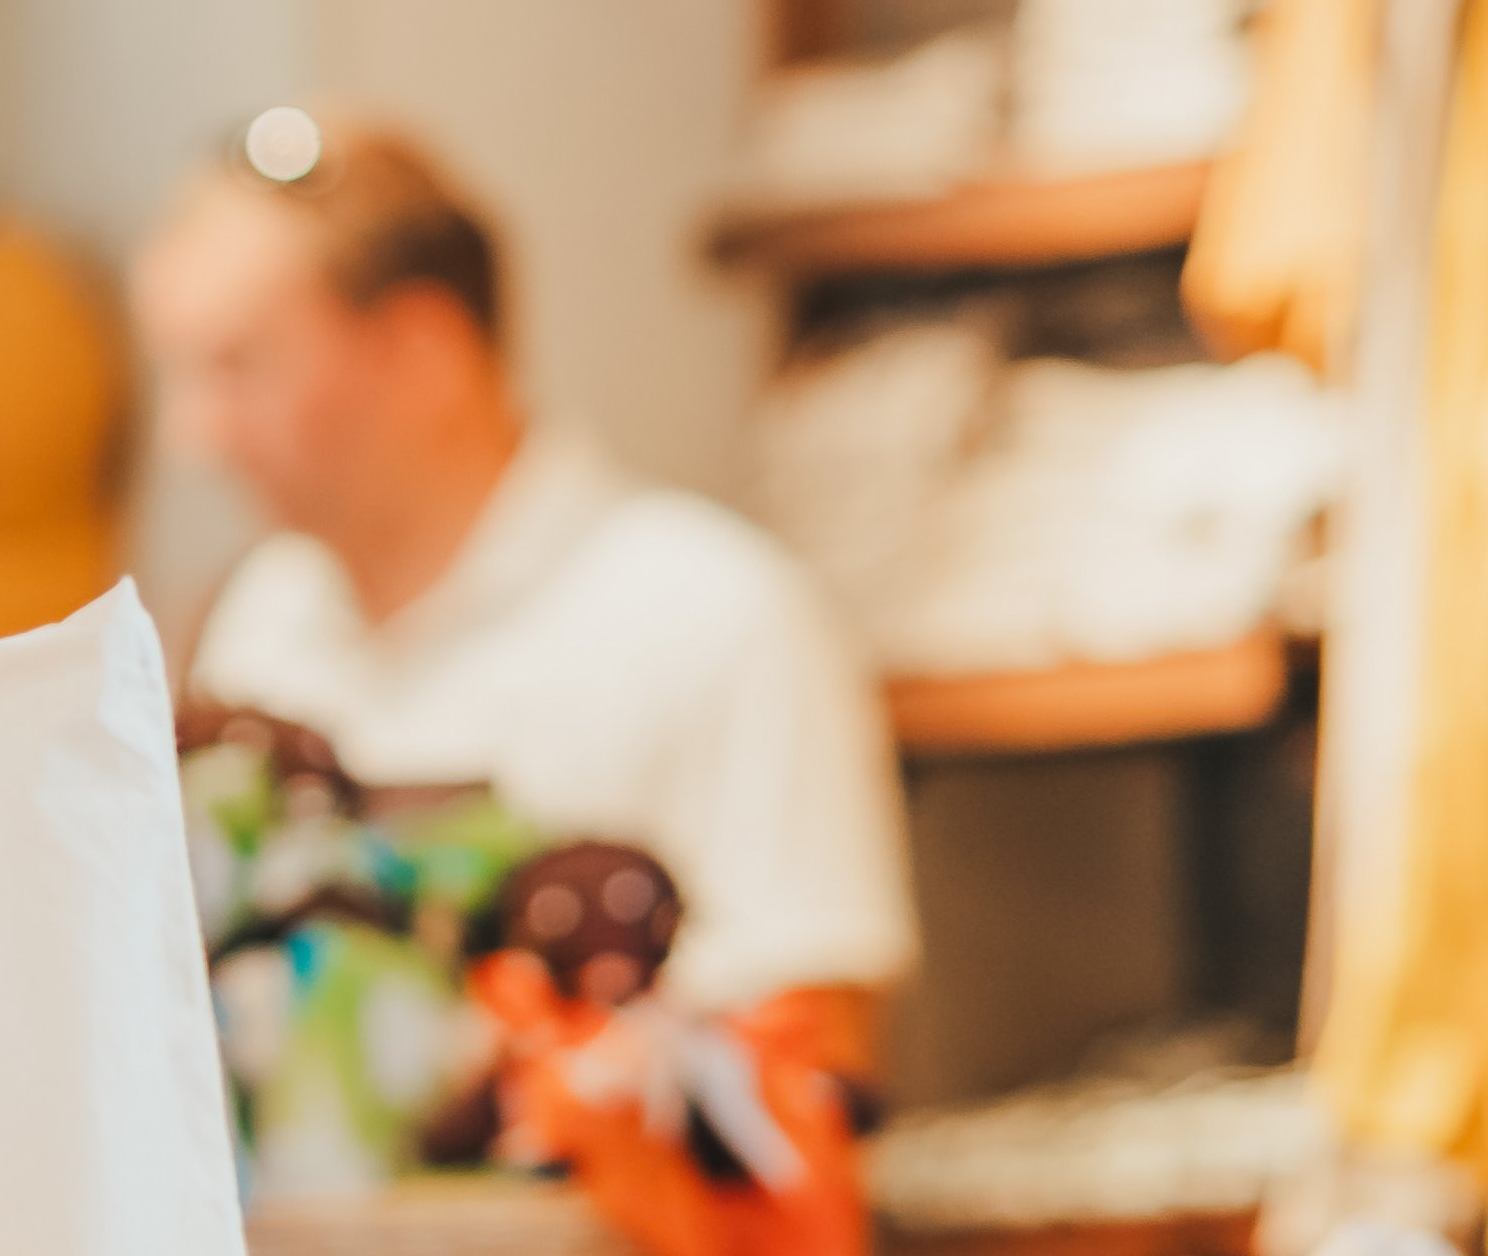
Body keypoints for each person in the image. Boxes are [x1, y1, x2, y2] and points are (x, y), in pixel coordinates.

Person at [131, 113, 916, 1023]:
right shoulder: (262, 617)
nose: (191, 436)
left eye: (238, 368)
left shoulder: (721, 615)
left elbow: (817, 1059)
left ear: (421, 350)